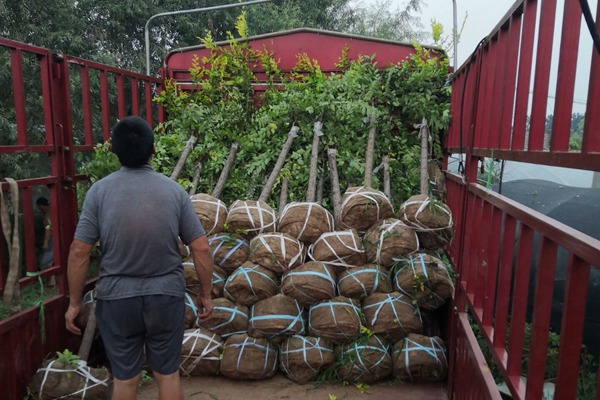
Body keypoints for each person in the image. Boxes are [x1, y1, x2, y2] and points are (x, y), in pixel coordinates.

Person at [64, 116, 214, 400]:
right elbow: (201, 247)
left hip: (117, 299)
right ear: (153, 149)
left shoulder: (99, 192)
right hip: (165, 297)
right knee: (167, 374)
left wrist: (74, 304)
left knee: (125, 378)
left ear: (114, 150)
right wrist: (206, 294)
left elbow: (80, 250)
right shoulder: (174, 192)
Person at [36, 196, 56, 286]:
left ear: (41, 205)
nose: (39, 209)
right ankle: (52, 280)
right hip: (57, 238)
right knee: (53, 259)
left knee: (45, 261)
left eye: (38, 207)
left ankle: (52, 280)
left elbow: (48, 229)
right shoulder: (54, 209)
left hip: (52, 239)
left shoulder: (48, 214)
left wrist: (45, 242)